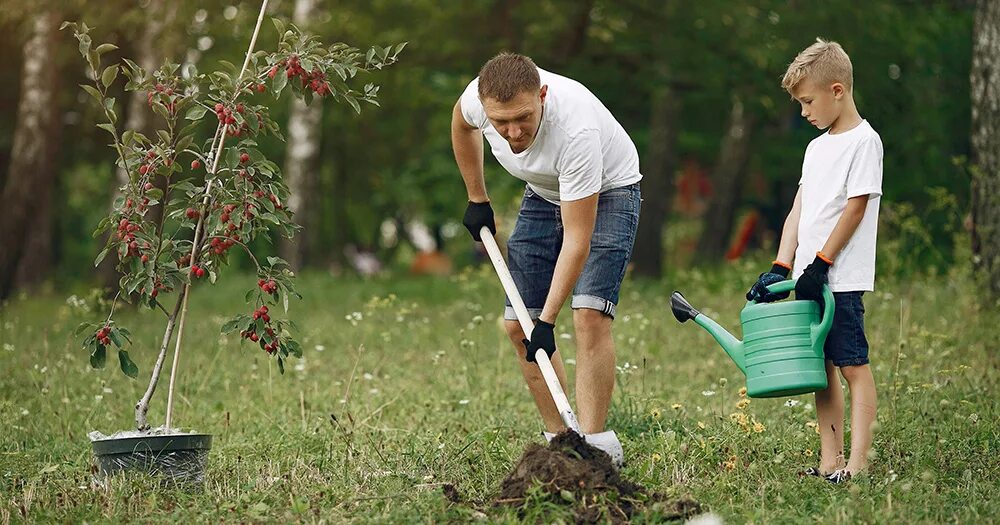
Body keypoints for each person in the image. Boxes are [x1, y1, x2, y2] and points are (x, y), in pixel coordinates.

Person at [451, 52, 642, 467]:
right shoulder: (476, 101)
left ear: (542, 94)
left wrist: (548, 321)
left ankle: (594, 449)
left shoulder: (576, 132)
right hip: (544, 190)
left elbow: (578, 239)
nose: (513, 131)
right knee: (518, 326)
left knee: (588, 314)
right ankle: (561, 445)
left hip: (609, 189)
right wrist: (477, 197)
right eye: (500, 122)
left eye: (522, 117)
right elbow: (461, 125)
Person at [747, 39, 882, 483]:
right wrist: (781, 268)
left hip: (837, 279)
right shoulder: (815, 148)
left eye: (808, 101)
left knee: (851, 367)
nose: (804, 111)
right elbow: (799, 210)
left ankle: (857, 467)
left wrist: (822, 263)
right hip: (808, 278)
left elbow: (855, 209)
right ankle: (830, 462)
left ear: (838, 90)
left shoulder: (865, 142)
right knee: (821, 372)